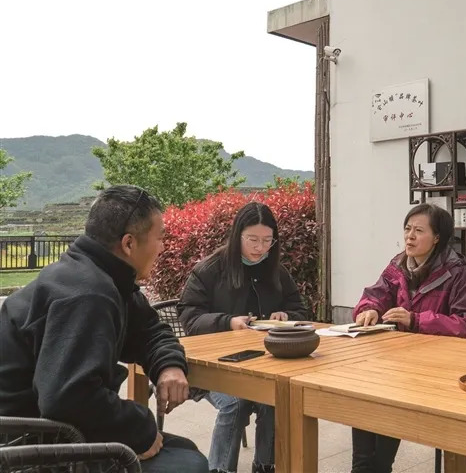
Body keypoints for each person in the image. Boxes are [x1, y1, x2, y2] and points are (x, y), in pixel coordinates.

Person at [0, 185, 208, 473]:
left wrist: (169, 365)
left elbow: (149, 329)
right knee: (187, 464)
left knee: (184, 451)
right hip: (27, 446)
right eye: (160, 238)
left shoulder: (106, 276)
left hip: (58, 430)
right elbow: (68, 398)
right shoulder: (88, 294)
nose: (162, 248)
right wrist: (140, 428)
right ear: (129, 243)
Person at [177, 202, 309, 473]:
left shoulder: (275, 270)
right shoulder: (210, 269)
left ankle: (265, 466)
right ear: (237, 235)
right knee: (234, 403)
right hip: (214, 364)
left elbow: (300, 309)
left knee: (276, 398)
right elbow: (189, 317)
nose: (260, 248)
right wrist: (228, 322)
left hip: (262, 363)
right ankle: (220, 469)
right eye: (253, 240)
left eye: (267, 241)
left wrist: (286, 315)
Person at [350, 203, 466, 473]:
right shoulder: (398, 265)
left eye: (419, 231)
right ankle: (364, 468)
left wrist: (416, 320)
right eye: (407, 229)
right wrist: (369, 310)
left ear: (437, 238)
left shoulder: (457, 273)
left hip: (437, 369)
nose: (409, 236)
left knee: (387, 395)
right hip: (398, 360)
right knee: (363, 388)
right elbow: (374, 295)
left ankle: (376, 467)